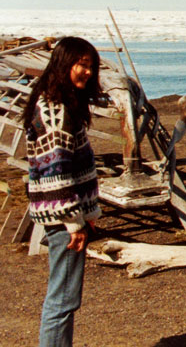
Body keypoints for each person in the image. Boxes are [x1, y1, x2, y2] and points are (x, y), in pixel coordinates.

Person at [23, 36, 102, 347]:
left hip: (59, 213)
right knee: (63, 300)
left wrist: (88, 212)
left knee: (62, 297)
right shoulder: (55, 110)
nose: (87, 72)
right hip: (62, 217)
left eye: (91, 67)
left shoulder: (52, 100)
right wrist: (74, 221)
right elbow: (56, 171)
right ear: (63, 63)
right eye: (81, 65)